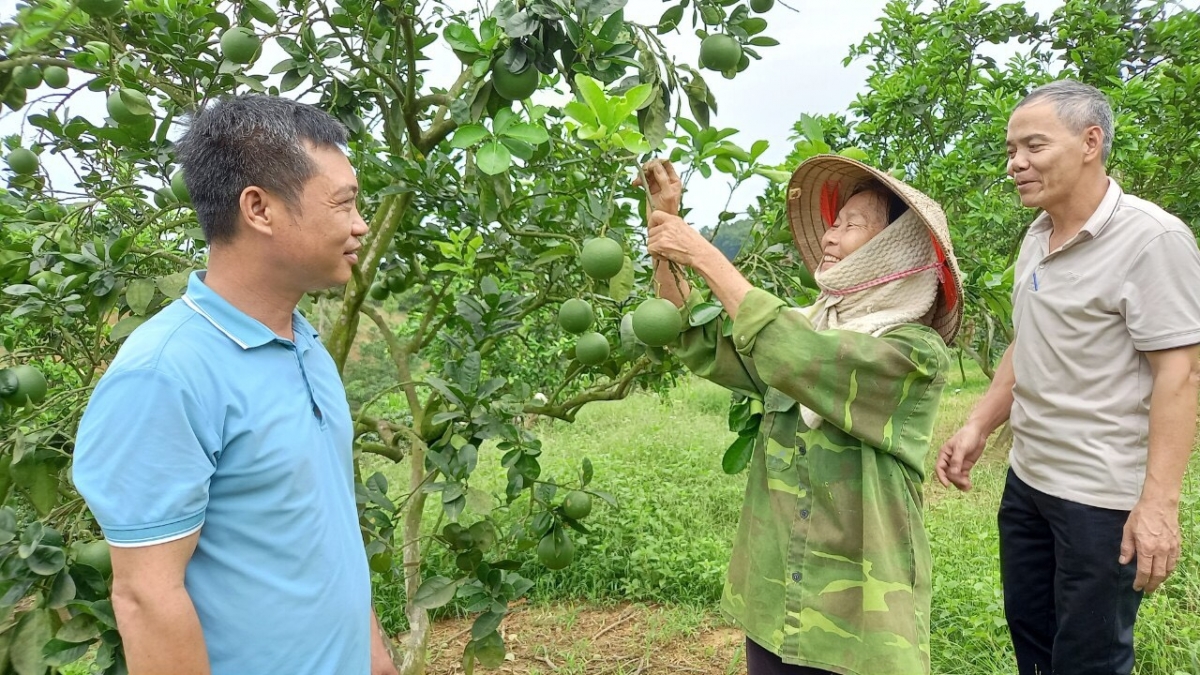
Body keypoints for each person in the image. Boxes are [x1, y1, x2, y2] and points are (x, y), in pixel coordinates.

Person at [72, 95, 399, 675]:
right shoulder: (164, 374)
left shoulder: (304, 343)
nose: (360, 224)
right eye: (344, 204)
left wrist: (375, 658)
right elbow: (146, 597)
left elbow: (324, 536)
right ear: (259, 208)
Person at [637, 154, 963, 675]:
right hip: (775, 596)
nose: (831, 237)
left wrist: (702, 252)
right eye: (833, 224)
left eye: (852, 225)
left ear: (892, 249)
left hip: (860, 615)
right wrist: (666, 235)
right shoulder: (807, 325)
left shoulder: (914, 354)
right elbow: (693, 336)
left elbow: (797, 355)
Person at [936, 79, 1200, 675]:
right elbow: (1028, 343)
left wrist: (1158, 505)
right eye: (1009, 150)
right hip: (1030, 480)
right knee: (1033, 641)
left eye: (1033, 146)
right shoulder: (1037, 236)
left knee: (1089, 659)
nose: (1016, 164)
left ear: (1090, 142)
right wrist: (978, 422)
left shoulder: (1152, 240)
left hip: (1101, 499)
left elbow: (1180, 376)